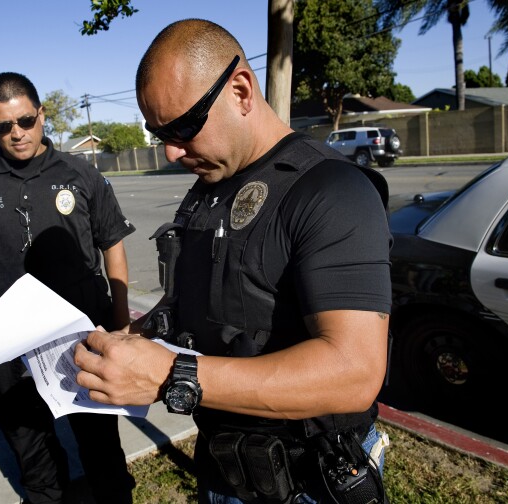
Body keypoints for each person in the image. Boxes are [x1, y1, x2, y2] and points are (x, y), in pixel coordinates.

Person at [74, 19, 393, 504]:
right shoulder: (208, 191)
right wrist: (132, 340)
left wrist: (168, 375)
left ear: (241, 90)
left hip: (310, 478)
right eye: (159, 132)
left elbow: (355, 371)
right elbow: (199, 302)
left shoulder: (331, 190)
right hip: (226, 465)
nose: (172, 151)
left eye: (182, 127)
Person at [0, 72, 136, 504]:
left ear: (41, 114)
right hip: (9, 343)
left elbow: (112, 243)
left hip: (81, 336)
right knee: (30, 448)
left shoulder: (80, 173)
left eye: (25, 120)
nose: (17, 133)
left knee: (100, 447)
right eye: (4, 126)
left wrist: (120, 322)